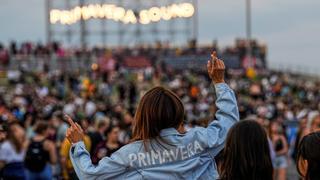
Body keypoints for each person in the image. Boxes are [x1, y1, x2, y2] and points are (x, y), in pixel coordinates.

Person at [65, 51, 239, 179]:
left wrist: (78, 144)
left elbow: (90, 176)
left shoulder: (131, 154)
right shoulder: (199, 140)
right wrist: (219, 82)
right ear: (178, 114)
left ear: (143, 117)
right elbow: (229, 123)